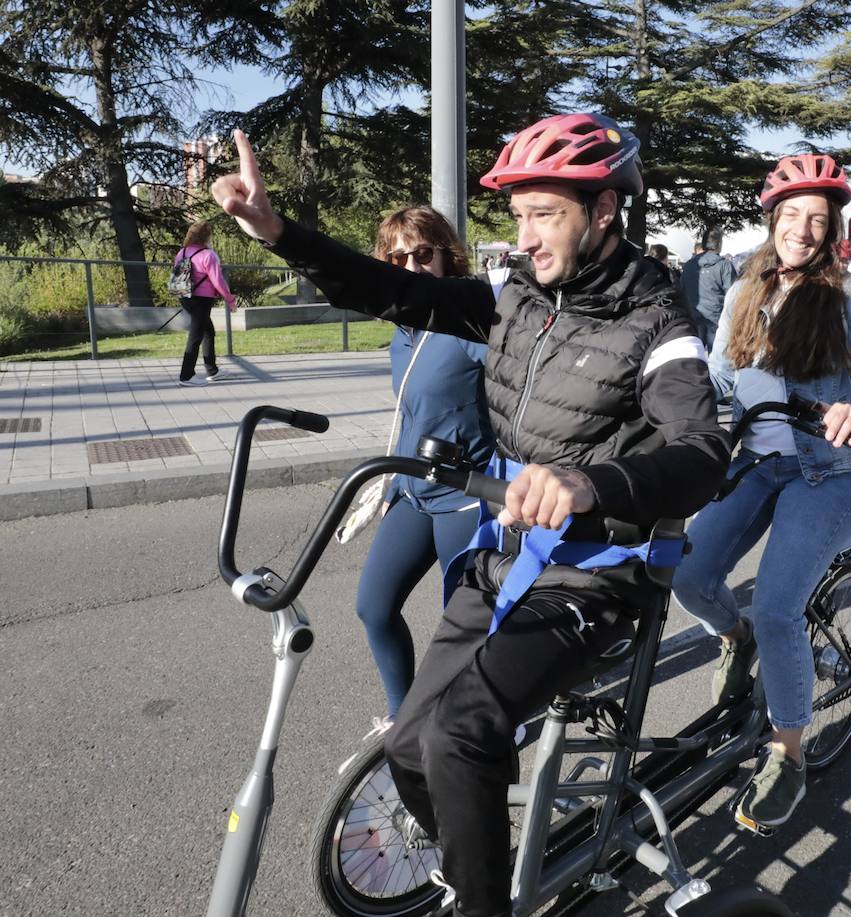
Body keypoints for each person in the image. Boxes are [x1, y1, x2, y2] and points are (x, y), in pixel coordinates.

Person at [212, 115, 731, 916]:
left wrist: (593, 485)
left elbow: (703, 452)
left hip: (596, 578)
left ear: (602, 212)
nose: (526, 236)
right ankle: (476, 866)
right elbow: (396, 289)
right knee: (411, 749)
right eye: (518, 215)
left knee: (462, 734)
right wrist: (278, 231)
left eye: (544, 214)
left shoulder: (658, 323)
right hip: (508, 556)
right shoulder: (516, 298)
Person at [671, 152, 851, 830]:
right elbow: (715, 375)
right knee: (687, 574)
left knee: (778, 607)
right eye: (792, 215)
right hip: (757, 461)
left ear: (833, 230)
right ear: (773, 219)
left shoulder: (849, 294)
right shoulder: (748, 287)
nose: (803, 229)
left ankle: (788, 752)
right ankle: (735, 638)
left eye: (818, 219)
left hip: (829, 472)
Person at [351, 206, 494, 726]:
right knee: (374, 605)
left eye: (423, 253)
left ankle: (474, 718)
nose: (411, 266)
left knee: (460, 626)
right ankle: (401, 716)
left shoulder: (471, 324)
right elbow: (412, 409)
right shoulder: (403, 329)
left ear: (445, 256)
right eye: (398, 257)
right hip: (413, 488)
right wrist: (393, 482)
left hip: (466, 496)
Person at [172, 221, 236, 386]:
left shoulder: (182, 252)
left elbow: (178, 277)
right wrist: (229, 299)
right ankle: (186, 376)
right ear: (206, 236)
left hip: (185, 297)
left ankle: (212, 370)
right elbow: (218, 281)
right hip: (202, 299)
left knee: (208, 331)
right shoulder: (208, 255)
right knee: (196, 335)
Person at [679, 226, 737, 351]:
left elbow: (681, 289)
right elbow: (733, 295)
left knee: (694, 357)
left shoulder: (689, 264)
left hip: (693, 316)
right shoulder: (724, 266)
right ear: (719, 244)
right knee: (716, 361)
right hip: (716, 319)